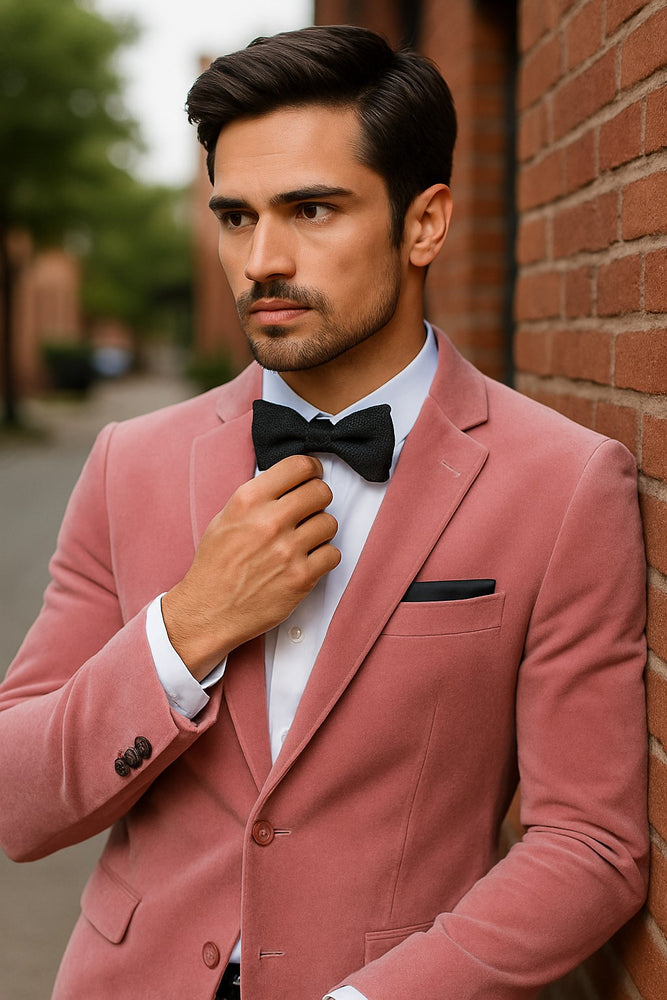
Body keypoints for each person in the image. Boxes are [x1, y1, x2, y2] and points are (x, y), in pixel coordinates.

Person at [0, 25, 648, 1000]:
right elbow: (20, 804)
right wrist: (188, 627)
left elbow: (589, 846)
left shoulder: (560, 484)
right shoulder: (130, 463)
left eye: (310, 210)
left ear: (423, 224)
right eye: (235, 217)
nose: (260, 260)